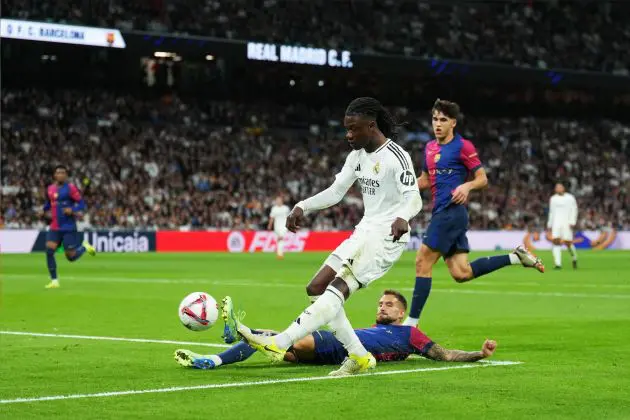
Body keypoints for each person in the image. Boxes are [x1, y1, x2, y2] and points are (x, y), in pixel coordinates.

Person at [223, 97, 423, 376]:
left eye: (353, 129)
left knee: (338, 288)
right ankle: (358, 355)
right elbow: (336, 191)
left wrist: (403, 216)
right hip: (365, 230)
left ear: (371, 125)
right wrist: (303, 205)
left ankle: (280, 342)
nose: (348, 135)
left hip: (387, 235)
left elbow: (413, 197)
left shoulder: (396, 156)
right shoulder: (357, 157)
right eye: (346, 129)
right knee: (316, 288)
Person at [404, 99, 545, 327]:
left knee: (422, 261)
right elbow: (425, 180)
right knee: (461, 273)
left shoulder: (463, 146)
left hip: (450, 213)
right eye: (435, 119)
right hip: (446, 214)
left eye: (443, 120)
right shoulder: (429, 148)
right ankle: (515, 257)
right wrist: (402, 185)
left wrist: (466, 186)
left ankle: (410, 325)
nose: (437, 124)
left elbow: (482, 178)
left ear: (453, 123)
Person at [174, 291, 497, 369]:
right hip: (335, 351)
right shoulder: (372, 329)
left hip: (338, 347)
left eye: (388, 305)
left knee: (276, 340)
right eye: (380, 303)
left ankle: (239, 327)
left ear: (402, 312)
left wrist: (478, 354)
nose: (381, 307)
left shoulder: (411, 335)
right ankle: (214, 359)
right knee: (271, 337)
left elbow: (445, 355)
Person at [40, 165, 96, 289]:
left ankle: (84, 247)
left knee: (71, 257)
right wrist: (43, 210)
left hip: (68, 226)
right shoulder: (50, 189)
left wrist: (73, 209)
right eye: (58, 172)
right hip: (54, 226)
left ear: (66, 175)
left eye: (63, 172)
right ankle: (54, 281)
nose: (60, 174)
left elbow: (82, 204)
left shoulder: (70, 188)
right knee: (49, 250)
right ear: (54, 175)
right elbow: (48, 203)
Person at [547, 183, 579, 269]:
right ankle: (558, 264)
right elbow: (551, 212)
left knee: (568, 243)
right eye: (557, 187)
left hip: (567, 223)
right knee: (556, 242)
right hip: (556, 223)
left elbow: (574, 209)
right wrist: (549, 224)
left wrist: (572, 221)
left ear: (563, 188)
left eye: (560, 187)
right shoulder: (553, 199)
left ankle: (574, 257)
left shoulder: (570, 198)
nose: (558, 189)